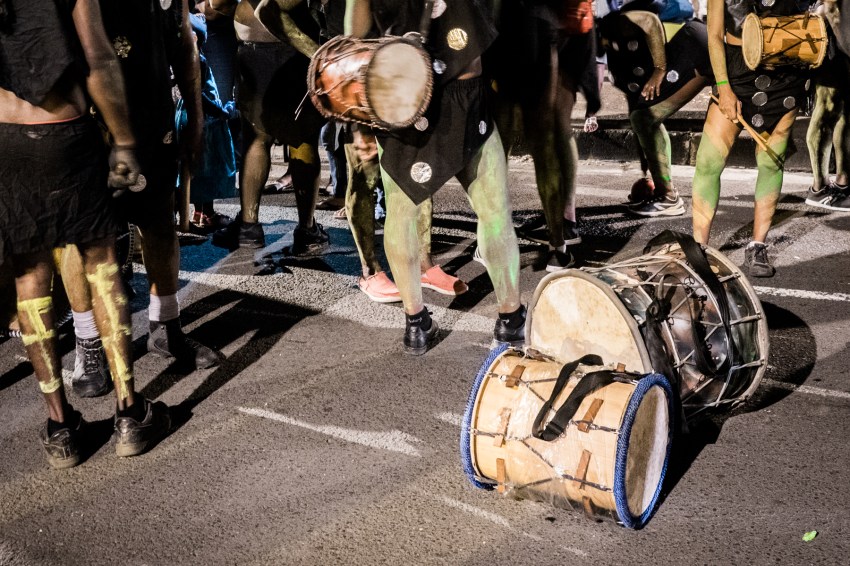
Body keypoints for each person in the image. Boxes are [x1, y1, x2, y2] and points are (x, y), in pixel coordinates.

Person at [0, 0, 169, 467]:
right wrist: (124, 140)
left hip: (5, 138)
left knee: (29, 275)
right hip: (65, 133)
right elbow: (97, 56)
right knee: (102, 265)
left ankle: (60, 428)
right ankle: (130, 414)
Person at [62, 0, 224, 400]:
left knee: (159, 224)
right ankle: (88, 345)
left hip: (152, 116)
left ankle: (166, 328)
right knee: (80, 239)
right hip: (86, 122)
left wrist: (195, 119)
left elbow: (184, 44)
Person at [347, 0, 524, 355]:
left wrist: (358, 122)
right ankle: (510, 319)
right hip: (461, 92)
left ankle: (416, 325)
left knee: (401, 212)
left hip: (404, 96)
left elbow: (354, 35)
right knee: (493, 211)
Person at [691, 0, 812, 277]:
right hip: (737, 73)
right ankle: (698, 248)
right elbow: (714, 35)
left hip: (786, 74)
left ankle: (757, 245)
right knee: (709, 162)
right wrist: (723, 87)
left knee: (771, 162)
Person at [488, 0, 600, 271]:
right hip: (534, 31)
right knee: (542, 145)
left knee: (505, 149)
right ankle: (557, 243)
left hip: (514, 32)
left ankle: (507, 240)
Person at [211, 0, 329, 257]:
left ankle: (249, 227)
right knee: (303, 140)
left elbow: (217, 5)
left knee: (256, 139)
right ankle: (307, 231)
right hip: (300, 47)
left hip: (256, 45)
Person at [599, 1, 712, 216]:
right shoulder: (615, 47)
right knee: (642, 118)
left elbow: (648, 21)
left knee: (645, 118)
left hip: (694, 48)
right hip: (695, 48)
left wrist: (660, 70)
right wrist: (646, 162)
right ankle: (664, 193)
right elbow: (635, 106)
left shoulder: (611, 24)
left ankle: (668, 197)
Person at [181, 11, 238, 233]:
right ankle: (205, 213)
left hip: (187, 117)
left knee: (191, 169)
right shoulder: (198, 60)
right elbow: (200, 95)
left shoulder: (183, 58)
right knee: (206, 169)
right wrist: (222, 112)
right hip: (205, 121)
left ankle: (194, 212)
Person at [805, 0, 850, 211]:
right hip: (835, 41)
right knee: (828, 108)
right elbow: (830, 6)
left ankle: (836, 184)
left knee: (841, 112)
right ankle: (825, 187)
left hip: (837, 38)